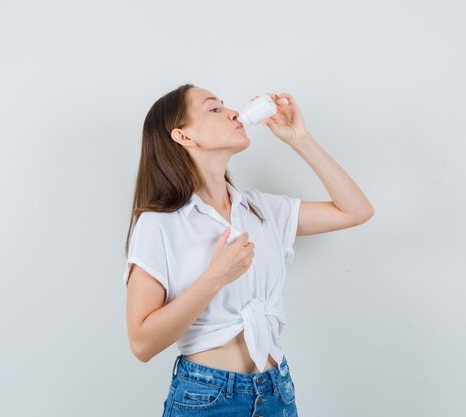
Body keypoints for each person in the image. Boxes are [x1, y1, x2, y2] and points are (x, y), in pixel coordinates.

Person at [123, 83, 374, 416]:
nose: (232, 112)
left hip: (276, 392)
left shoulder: (261, 209)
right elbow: (141, 343)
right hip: (206, 398)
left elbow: (356, 210)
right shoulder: (160, 224)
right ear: (184, 136)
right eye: (214, 108)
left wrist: (300, 139)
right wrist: (215, 277)